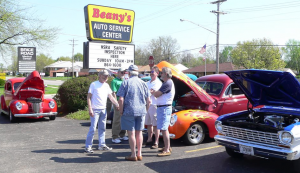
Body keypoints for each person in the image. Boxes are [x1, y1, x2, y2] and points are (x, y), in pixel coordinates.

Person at [117, 65, 150, 161]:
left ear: (129, 72)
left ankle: (133, 154)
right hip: (141, 110)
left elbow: (121, 99)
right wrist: (146, 111)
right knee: (139, 133)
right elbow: (149, 100)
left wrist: (121, 110)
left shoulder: (125, 83)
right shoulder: (143, 83)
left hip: (129, 111)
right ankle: (139, 153)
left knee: (131, 133)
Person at [85, 69, 119, 153]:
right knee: (93, 128)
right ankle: (88, 146)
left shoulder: (106, 85)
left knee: (102, 128)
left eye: (107, 76)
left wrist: (117, 104)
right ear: (100, 75)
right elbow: (89, 97)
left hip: (103, 110)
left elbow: (111, 97)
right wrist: (90, 109)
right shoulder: (94, 84)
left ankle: (102, 145)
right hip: (95, 110)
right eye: (104, 75)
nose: (106, 77)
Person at [150, 67, 175, 157]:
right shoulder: (167, 82)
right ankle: (166, 147)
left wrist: (153, 92)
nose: (161, 74)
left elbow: (157, 94)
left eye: (162, 72)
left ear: (166, 74)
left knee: (164, 130)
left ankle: (167, 149)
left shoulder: (167, 83)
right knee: (164, 129)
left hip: (164, 108)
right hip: (163, 108)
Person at [145, 66, 162, 148]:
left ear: (157, 73)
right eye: (150, 73)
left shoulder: (158, 83)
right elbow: (146, 91)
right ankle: (149, 139)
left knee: (155, 124)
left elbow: (151, 92)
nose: (151, 74)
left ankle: (156, 141)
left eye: (153, 73)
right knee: (149, 123)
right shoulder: (148, 82)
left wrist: (148, 92)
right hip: (147, 104)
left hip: (154, 104)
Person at [111, 67, 128, 143]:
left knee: (124, 119)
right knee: (117, 119)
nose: (123, 74)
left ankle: (122, 134)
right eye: (121, 72)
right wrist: (116, 103)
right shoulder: (114, 81)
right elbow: (113, 93)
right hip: (118, 101)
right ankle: (114, 136)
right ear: (118, 72)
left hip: (124, 101)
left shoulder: (125, 80)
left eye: (124, 72)